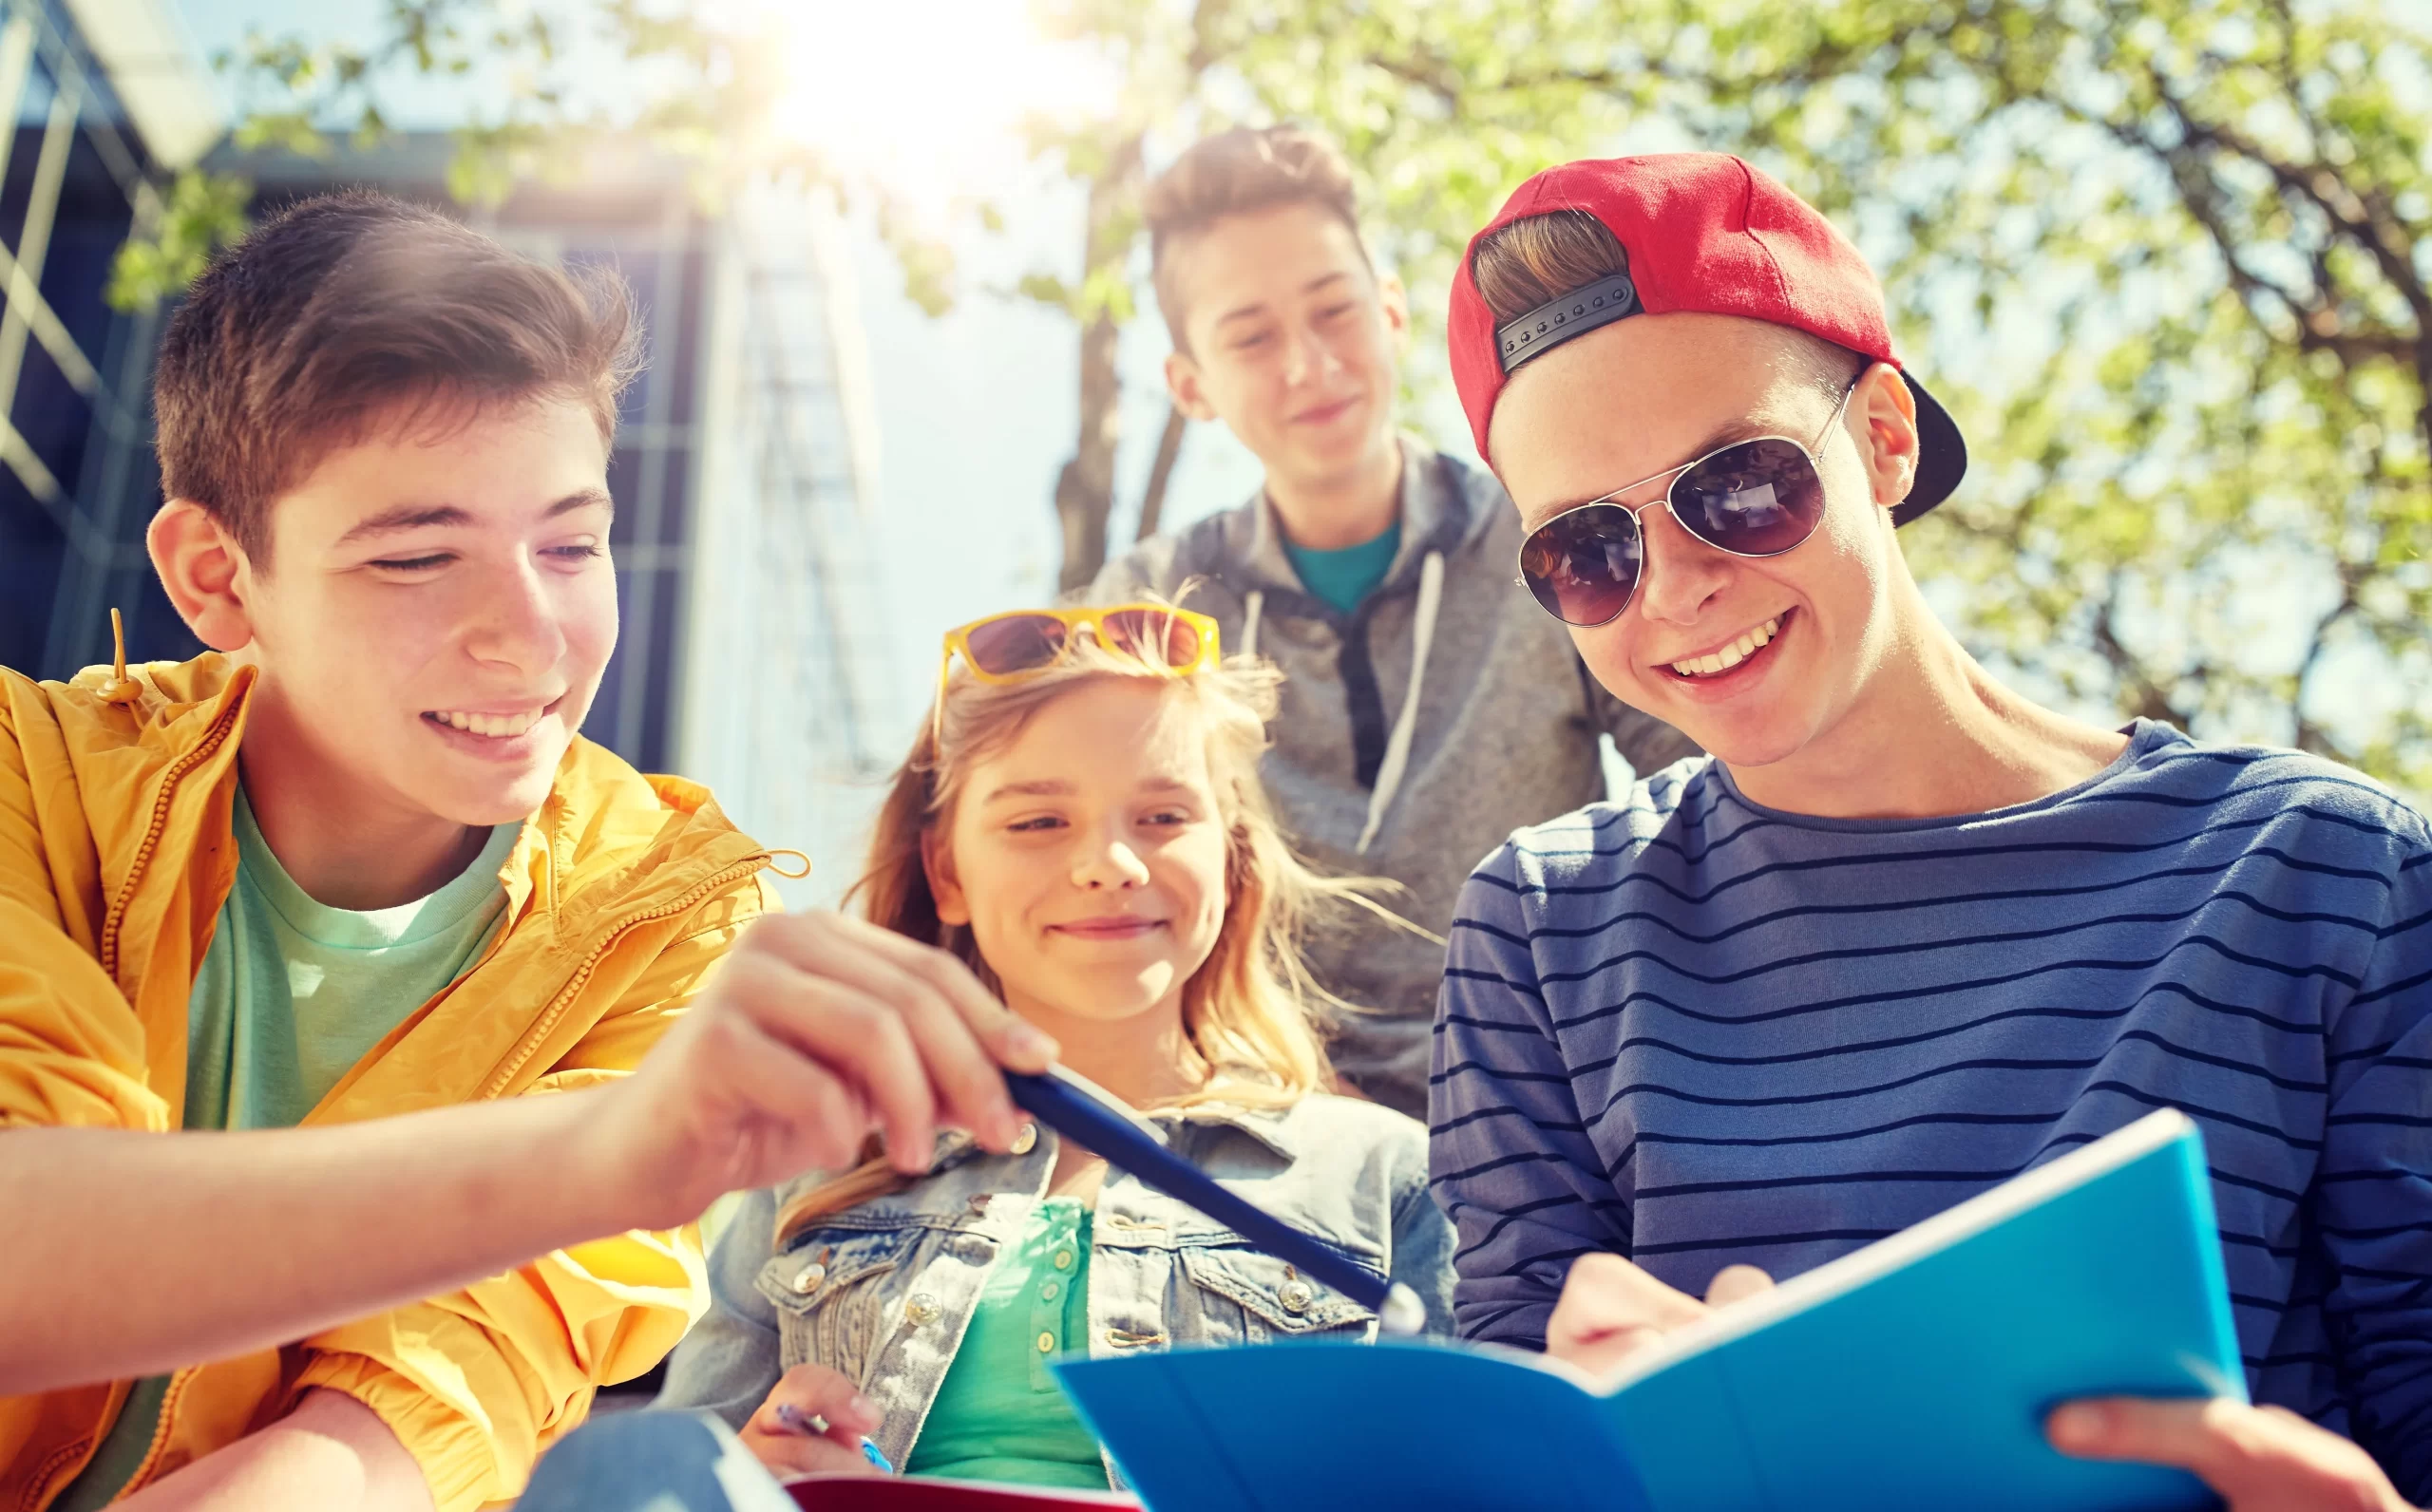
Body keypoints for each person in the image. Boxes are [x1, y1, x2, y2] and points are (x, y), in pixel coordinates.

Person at [1, 194, 1052, 1512]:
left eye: (572, 542)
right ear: (217, 578)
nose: (535, 638)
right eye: (420, 556)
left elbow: (447, 1383)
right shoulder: (25, 779)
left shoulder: (663, 913)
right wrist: (613, 1150)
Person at [1428, 153, 2430, 1509]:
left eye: (1738, 484)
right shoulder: (1540, 935)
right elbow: (1499, 1467)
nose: (1673, 589)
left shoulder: (2323, 872)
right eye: (1587, 550)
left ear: (1886, 438)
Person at [630, 604, 1452, 1498]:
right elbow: (666, 1480)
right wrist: (753, 1473)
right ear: (946, 873)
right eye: (1038, 823)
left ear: (1233, 858)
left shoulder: (1384, 1174)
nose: (1109, 863)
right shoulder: (815, 1165)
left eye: (1163, 815)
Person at [1084, 126, 1696, 1119]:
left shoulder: (1548, 533)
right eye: (1250, 337)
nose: (1309, 364)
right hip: (1255, 1114)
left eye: (1333, 311)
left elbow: (1711, 772)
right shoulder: (1146, 605)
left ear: (1392, 310)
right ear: (1190, 383)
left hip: (1557, 1085)